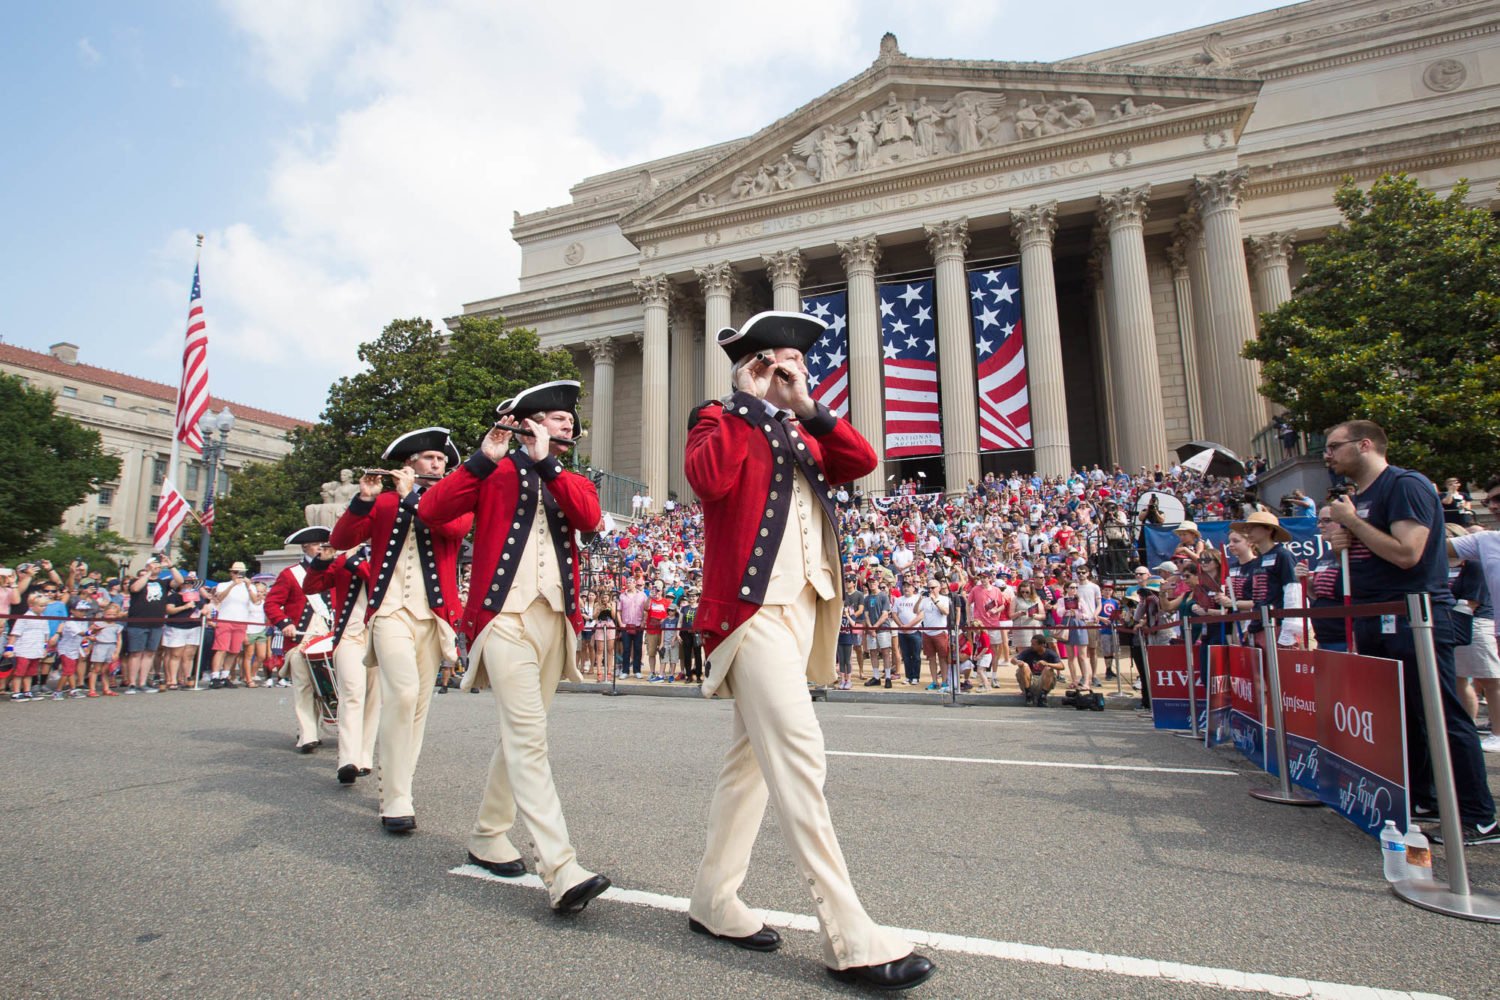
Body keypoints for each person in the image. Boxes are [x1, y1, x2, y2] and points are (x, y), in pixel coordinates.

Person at [684, 311, 932, 990]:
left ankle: (713, 898)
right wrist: (743, 401)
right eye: (776, 361)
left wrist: (808, 408)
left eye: (796, 361)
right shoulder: (716, 419)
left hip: (805, 603)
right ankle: (850, 935)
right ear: (750, 364)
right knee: (799, 754)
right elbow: (708, 482)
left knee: (750, 767)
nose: (789, 370)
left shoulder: (803, 426)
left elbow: (861, 461)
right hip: (749, 608)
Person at [420, 380, 612, 913]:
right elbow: (434, 512)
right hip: (503, 618)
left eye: (570, 420)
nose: (567, 424)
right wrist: (482, 460)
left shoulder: (572, 478)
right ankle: (561, 866)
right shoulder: (495, 470)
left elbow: (591, 521)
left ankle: (487, 834)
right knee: (528, 737)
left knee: (522, 735)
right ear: (529, 423)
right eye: (555, 417)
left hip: (556, 620)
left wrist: (549, 464)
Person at [1324, 419, 1496, 844]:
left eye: (1334, 446)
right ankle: (1424, 797)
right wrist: (1343, 539)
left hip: (1414, 615)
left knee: (1440, 713)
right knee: (1400, 716)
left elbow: (1407, 553)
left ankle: (1480, 814)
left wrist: (1353, 523)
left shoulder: (1405, 485)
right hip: (1375, 613)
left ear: (1365, 445)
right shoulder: (1359, 498)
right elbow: (1370, 553)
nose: (1327, 455)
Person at [332, 427, 472, 834]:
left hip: (435, 616)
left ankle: (399, 785)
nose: (438, 465)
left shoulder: (450, 502)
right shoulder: (386, 502)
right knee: (404, 693)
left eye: (442, 460)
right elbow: (341, 540)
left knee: (419, 709)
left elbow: (454, 530)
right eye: (430, 459)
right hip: (389, 612)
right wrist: (364, 499)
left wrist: (415, 497)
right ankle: (395, 797)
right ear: (410, 463)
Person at [304, 541, 380, 784]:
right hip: (350, 635)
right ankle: (348, 759)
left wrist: (353, 561)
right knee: (352, 693)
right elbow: (312, 585)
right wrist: (323, 560)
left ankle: (365, 755)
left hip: (381, 634)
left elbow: (378, 581)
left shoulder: (387, 552)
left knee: (374, 698)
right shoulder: (344, 558)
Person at [265, 529, 337, 750]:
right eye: (316, 544)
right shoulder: (290, 574)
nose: (320, 548)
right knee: (304, 687)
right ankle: (308, 735)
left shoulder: (334, 571)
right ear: (305, 547)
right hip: (300, 640)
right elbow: (271, 604)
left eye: (323, 544)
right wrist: (285, 623)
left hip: (329, 637)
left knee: (332, 686)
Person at [124, 557, 179, 693]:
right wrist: (148, 573)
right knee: (136, 653)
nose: (157, 567)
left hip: (156, 622)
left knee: (149, 653)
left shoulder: (163, 583)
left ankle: (142, 682)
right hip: (138, 622)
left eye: (158, 566)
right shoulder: (136, 581)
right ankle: (132, 683)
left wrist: (171, 566)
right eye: (154, 564)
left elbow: (179, 581)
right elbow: (135, 588)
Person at [207, 562, 257, 688]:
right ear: (231, 573)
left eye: (241, 573)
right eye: (236, 572)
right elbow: (219, 598)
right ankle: (214, 676)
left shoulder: (249, 587)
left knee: (234, 651)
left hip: (241, 621)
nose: (238, 575)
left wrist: (249, 586)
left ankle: (225, 675)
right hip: (225, 619)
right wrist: (233, 585)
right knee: (221, 649)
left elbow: (255, 601)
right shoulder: (223, 585)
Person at [1015, 634, 1061, 706]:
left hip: (1043, 682)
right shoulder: (1028, 651)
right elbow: (1014, 659)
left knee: (1048, 669)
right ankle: (1028, 694)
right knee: (1024, 666)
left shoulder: (1050, 653)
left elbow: (1061, 666)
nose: (1031, 646)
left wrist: (1047, 664)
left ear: (1042, 645)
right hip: (1030, 680)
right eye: (1031, 644)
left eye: (1034, 644)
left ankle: (1043, 696)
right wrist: (1017, 662)